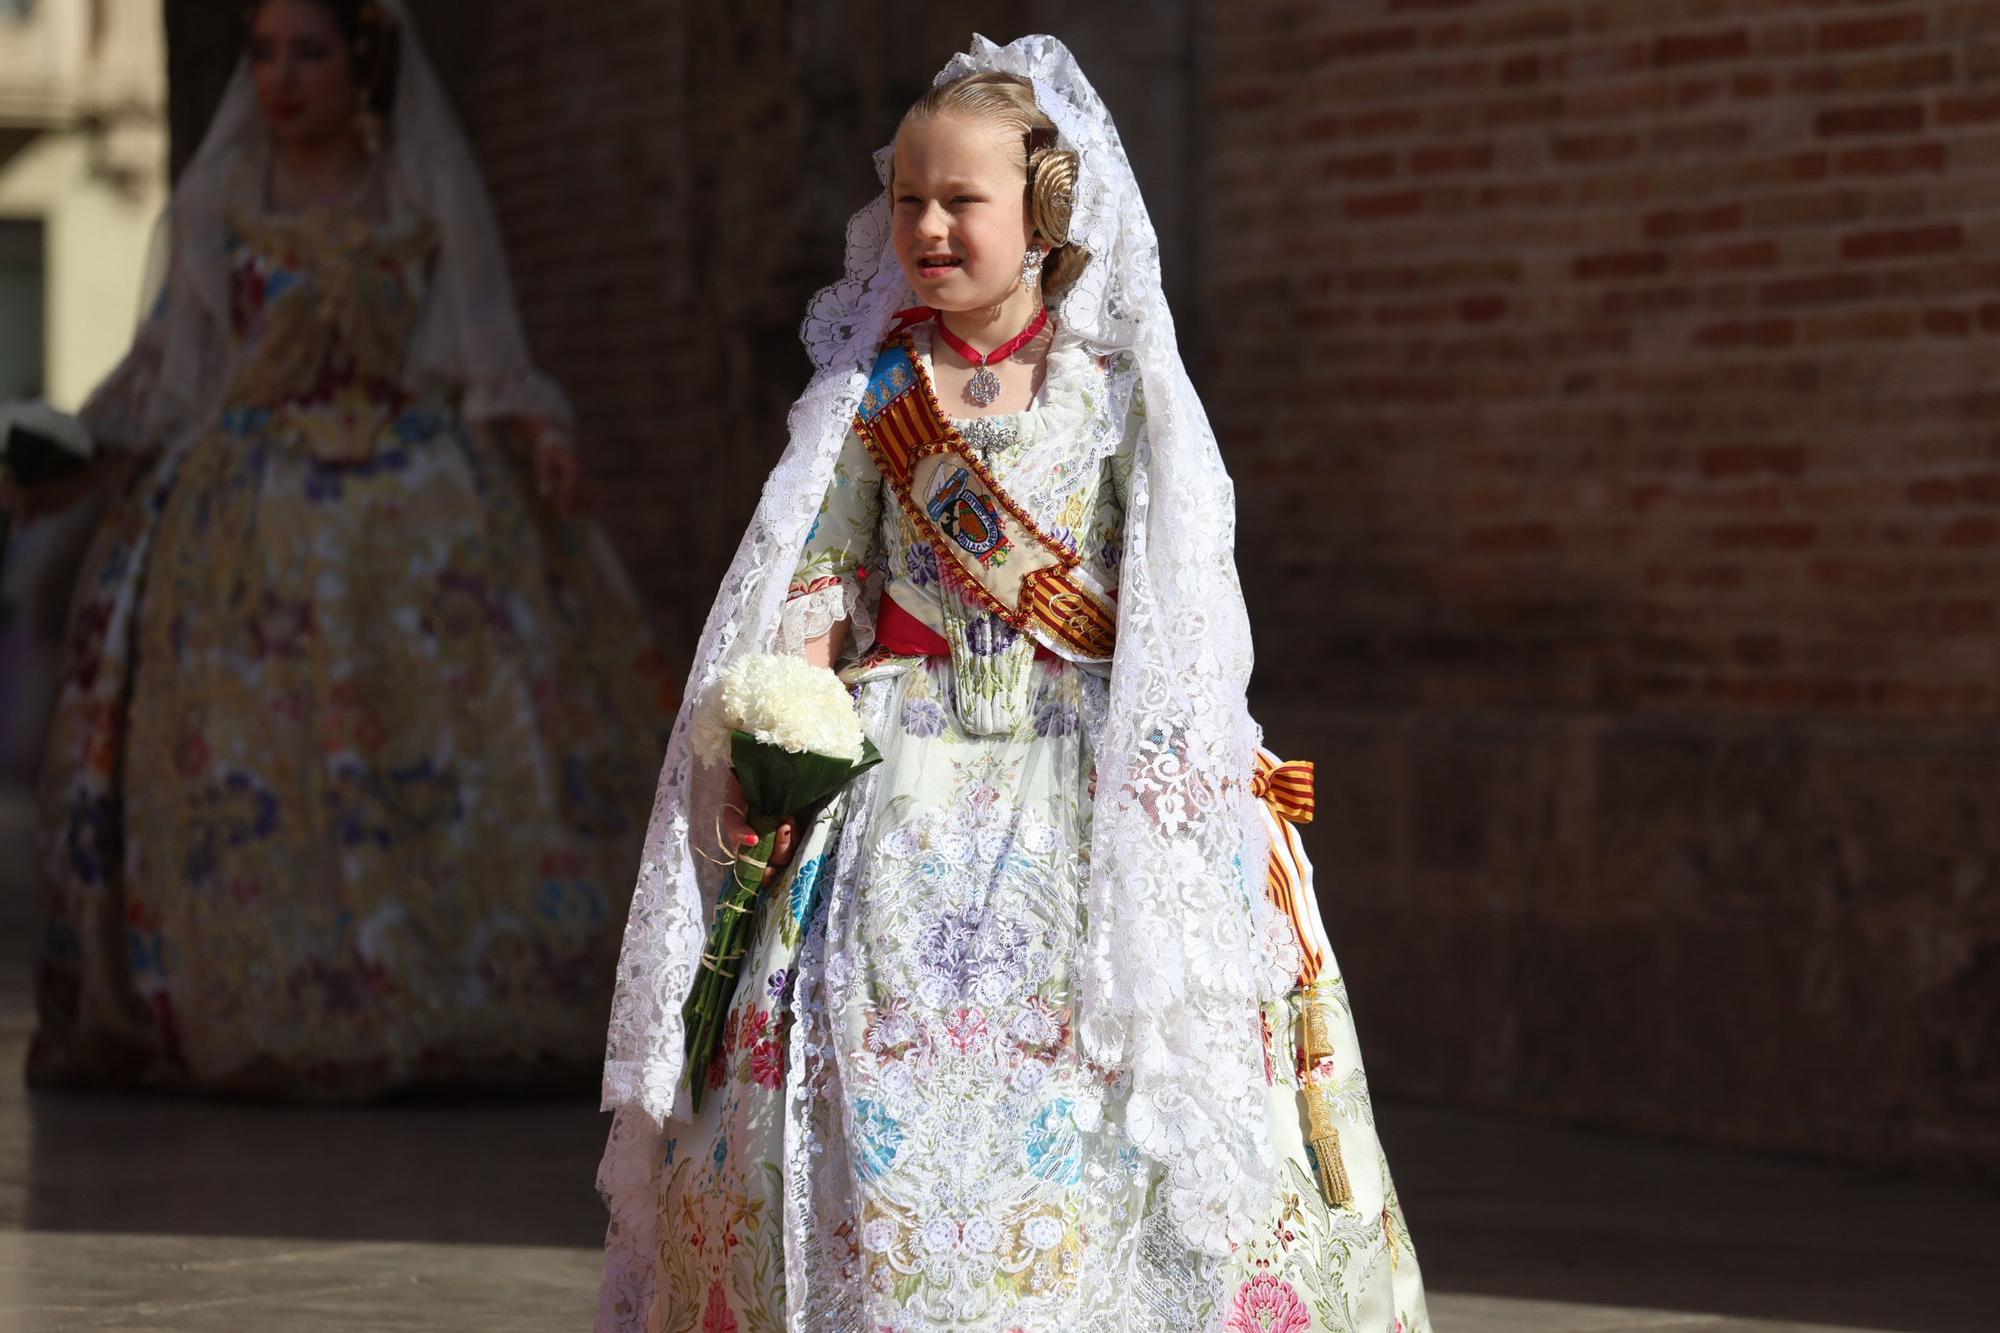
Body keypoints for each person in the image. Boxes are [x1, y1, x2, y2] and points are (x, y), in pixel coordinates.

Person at [595, 35, 1431, 1331]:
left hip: (1080, 773)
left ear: (1043, 211)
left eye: (960, 200)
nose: (927, 225)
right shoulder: (875, 400)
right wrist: (790, 712)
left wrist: (1197, 765)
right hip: (901, 785)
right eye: (911, 198)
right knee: (879, 1057)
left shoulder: (1112, 394)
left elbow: (1174, 596)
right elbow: (822, 575)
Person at [14, 0, 670, 1099]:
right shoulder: (222, 198)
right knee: (248, 764)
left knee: (435, 746)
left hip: (407, 520)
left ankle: (442, 985)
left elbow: (479, 342)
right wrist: (63, 463)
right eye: (263, 53)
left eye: (307, 52)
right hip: (244, 523)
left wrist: (539, 435)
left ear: (361, 64)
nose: (280, 77)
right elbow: (167, 372)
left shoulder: (417, 191)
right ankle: (261, 988)